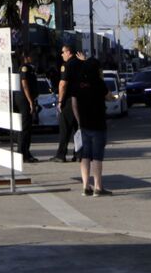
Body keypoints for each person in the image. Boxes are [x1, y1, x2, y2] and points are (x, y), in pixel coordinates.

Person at [66, 48, 109, 196]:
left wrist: (79, 120)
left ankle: (86, 186)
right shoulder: (99, 83)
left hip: (84, 125)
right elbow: (109, 96)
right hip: (98, 124)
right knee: (97, 156)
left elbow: (74, 104)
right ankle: (98, 187)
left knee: (85, 156)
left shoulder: (78, 84)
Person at [53, 44, 82, 162]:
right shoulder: (81, 63)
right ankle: (79, 154)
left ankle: (61, 154)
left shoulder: (67, 65)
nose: (62, 55)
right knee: (78, 128)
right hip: (80, 99)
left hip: (69, 100)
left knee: (65, 128)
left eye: (63, 52)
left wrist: (60, 100)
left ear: (68, 52)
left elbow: (63, 84)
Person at [15, 51, 41, 164]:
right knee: (25, 128)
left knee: (28, 128)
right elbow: (24, 84)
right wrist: (30, 101)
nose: (33, 57)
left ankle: (26, 152)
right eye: (31, 56)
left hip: (27, 99)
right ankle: (22, 153)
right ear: (26, 57)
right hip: (24, 100)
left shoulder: (30, 68)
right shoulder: (24, 68)